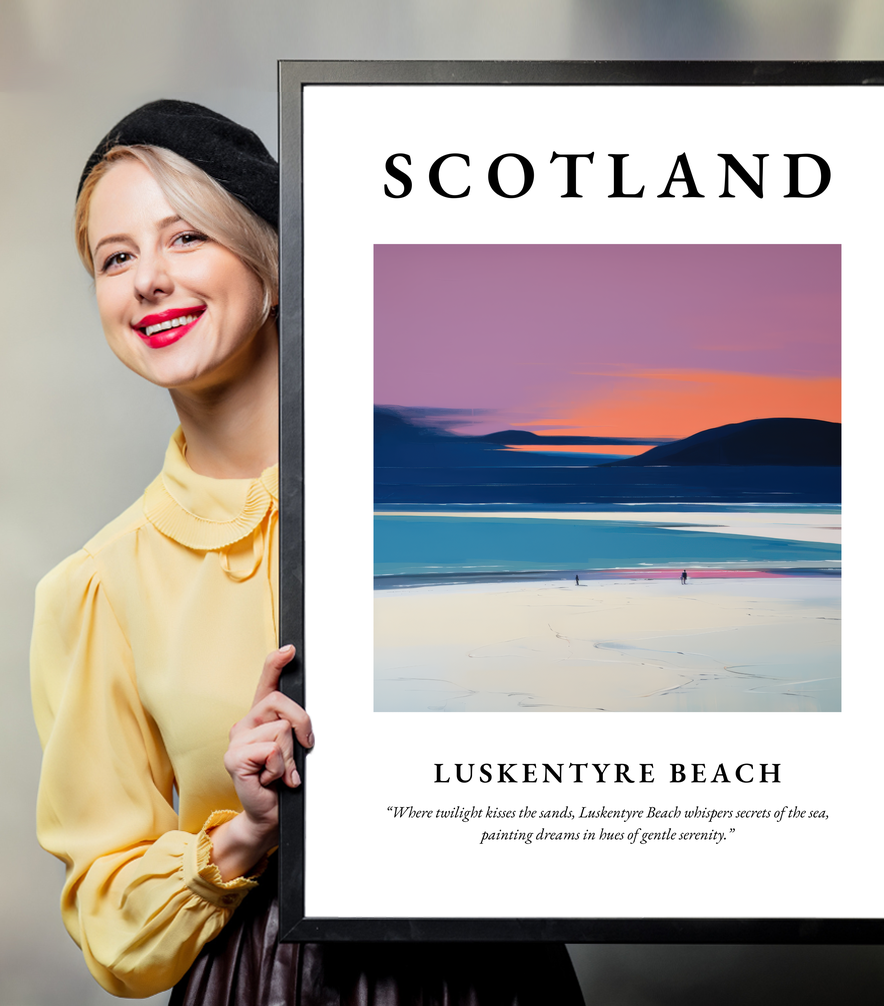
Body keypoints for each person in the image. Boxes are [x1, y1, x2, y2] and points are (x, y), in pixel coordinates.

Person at [30, 100, 585, 1004]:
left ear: (273, 263)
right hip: (263, 982)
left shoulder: (444, 497)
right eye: (116, 257)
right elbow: (110, 923)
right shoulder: (98, 587)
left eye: (186, 238)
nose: (148, 281)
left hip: (492, 973)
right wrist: (245, 832)